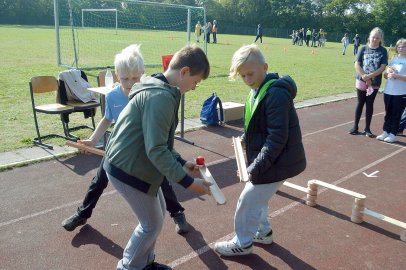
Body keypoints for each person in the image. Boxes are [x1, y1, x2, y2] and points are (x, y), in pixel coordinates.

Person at [62, 45, 190, 235]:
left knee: (161, 181)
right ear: (116, 75)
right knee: (99, 180)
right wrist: (92, 139)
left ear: (143, 74)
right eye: (124, 78)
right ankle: (83, 213)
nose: (130, 83)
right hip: (118, 149)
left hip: (145, 149)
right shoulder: (113, 96)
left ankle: (177, 212)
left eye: (135, 78)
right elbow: (107, 119)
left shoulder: (149, 93)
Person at [103, 45, 211, 270]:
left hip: (135, 164)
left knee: (158, 215)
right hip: (127, 169)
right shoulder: (160, 97)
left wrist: (181, 163)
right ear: (184, 72)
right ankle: (129, 267)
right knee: (150, 224)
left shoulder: (162, 89)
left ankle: (144, 263)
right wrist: (189, 183)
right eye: (195, 81)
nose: (194, 88)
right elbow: (156, 150)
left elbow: (159, 142)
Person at [214, 44, 306, 256]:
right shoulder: (256, 91)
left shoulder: (275, 94)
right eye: (243, 75)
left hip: (280, 161)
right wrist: (245, 138)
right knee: (258, 198)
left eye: (250, 73)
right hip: (272, 160)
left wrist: (255, 168)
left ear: (265, 67)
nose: (247, 79)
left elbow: (277, 137)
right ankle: (263, 232)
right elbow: (258, 124)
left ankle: (243, 243)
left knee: (248, 199)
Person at [349, 27, 388, 137]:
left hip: (375, 82)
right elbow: (357, 64)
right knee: (360, 103)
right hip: (361, 80)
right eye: (373, 37)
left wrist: (370, 76)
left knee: (370, 104)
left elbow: (382, 67)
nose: (374, 39)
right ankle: (355, 126)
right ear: (369, 37)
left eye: (377, 37)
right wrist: (364, 76)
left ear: (380, 39)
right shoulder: (363, 48)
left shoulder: (383, 51)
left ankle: (367, 129)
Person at [376, 38, 406, 143]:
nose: (401, 48)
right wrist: (387, 73)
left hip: (401, 92)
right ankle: (385, 131)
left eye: (403, 46)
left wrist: (396, 75)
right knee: (388, 113)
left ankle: (393, 134)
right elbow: (385, 75)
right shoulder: (394, 59)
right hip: (388, 91)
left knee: (396, 114)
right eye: (399, 46)